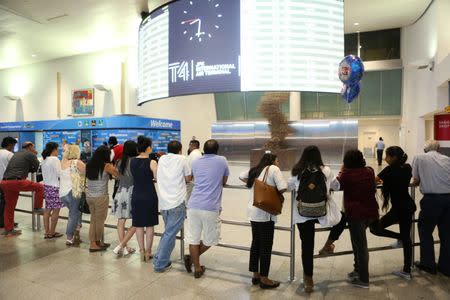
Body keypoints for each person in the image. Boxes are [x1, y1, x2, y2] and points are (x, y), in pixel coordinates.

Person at [287, 146, 337, 293]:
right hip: (321, 212)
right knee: (342, 219)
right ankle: (329, 243)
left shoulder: (297, 171)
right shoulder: (326, 170)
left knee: (307, 246)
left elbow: (289, 187)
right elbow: (336, 185)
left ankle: (309, 280)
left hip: (302, 214)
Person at [331, 149, 378, 288]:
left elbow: (335, 185)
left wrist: (341, 170)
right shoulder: (369, 171)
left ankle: (363, 279)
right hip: (371, 212)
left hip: (356, 214)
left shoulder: (347, 174)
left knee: (361, 246)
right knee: (357, 243)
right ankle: (358, 270)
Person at [239, 153, 286, 289]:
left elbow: (241, 176)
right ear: (272, 160)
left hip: (254, 210)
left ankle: (255, 275)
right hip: (266, 212)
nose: (278, 162)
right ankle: (264, 278)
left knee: (256, 243)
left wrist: (256, 184)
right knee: (265, 246)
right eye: (278, 160)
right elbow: (283, 188)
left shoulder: (256, 169)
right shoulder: (273, 169)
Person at [369, 146, 416, 279]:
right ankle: (407, 270)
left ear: (394, 157)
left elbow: (374, 181)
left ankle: (400, 237)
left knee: (374, 228)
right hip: (408, 207)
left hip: (398, 209)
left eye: (387, 156)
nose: (385, 158)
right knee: (407, 238)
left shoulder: (389, 170)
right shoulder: (407, 168)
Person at [184, 139, 229, 279]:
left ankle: (197, 267)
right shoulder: (222, 160)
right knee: (211, 239)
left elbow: (193, 177)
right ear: (217, 150)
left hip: (193, 205)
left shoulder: (196, 161)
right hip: (210, 207)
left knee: (193, 238)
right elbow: (224, 181)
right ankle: (191, 259)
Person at [412, 140, 450, 277]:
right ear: (438, 148)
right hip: (448, 199)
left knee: (425, 231)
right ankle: (446, 267)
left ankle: (428, 264)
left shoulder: (419, 158)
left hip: (431, 200)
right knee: (446, 234)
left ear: (425, 149)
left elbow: (415, 180)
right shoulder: (447, 159)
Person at [153, 140, 192, 272]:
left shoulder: (162, 159)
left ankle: (159, 258)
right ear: (180, 149)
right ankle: (160, 264)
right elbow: (188, 178)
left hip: (164, 202)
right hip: (177, 202)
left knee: (168, 232)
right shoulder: (182, 159)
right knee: (170, 233)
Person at [0, 142, 44, 237]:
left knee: (9, 207)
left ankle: (9, 230)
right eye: (33, 146)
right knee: (40, 187)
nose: (34, 148)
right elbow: (36, 168)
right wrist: (35, 155)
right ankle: (37, 207)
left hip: (4, 182)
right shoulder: (30, 154)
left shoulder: (17, 154)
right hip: (16, 181)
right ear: (30, 147)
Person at [130, 136, 159, 262]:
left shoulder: (132, 161)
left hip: (136, 194)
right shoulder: (152, 162)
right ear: (148, 148)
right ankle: (148, 252)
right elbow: (157, 178)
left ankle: (141, 252)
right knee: (150, 225)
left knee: (138, 225)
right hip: (149, 195)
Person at [86, 145, 118, 252]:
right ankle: (94, 244)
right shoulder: (106, 166)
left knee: (93, 220)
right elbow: (118, 175)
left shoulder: (90, 164)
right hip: (101, 197)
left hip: (89, 196)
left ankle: (96, 242)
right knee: (99, 220)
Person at [112, 140, 138, 257]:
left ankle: (124, 247)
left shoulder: (119, 162)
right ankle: (123, 246)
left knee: (120, 222)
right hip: (132, 193)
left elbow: (116, 175)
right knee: (137, 221)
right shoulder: (135, 162)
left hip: (120, 192)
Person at [60, 144, 85, 246]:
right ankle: (69, 237)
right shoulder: (77, 162)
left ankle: (77, 231)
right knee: (73, 214)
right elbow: (86, 173)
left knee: (76, 212)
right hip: (73, 192)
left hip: (62, 193)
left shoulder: (63, 162)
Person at [41, 142, 64, 239]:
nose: (58, 151)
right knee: (56, 211)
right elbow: (60, 174)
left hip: (47, 187)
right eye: (57, 149)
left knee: (47, 210)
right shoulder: (55, 159)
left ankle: (47, 232)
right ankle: (52, 232)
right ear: (54, 149)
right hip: (55, 188)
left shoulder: (44, 160)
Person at [0, 137, 17, 228]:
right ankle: (7, 223)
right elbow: (15, 167)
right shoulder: (10, 154)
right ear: (10, 144)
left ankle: (3, 222)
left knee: (2, 202)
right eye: (13, 145)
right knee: (8, 204)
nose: (13, 147)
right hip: (7, 181)